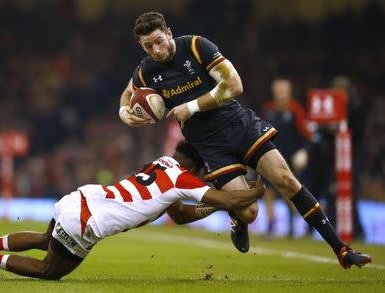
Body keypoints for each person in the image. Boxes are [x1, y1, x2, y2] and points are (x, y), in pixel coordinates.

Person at [118, 11, 370, 268]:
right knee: (249, 212)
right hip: (209, 146)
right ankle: (236, 217)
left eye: (159, 41)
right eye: (148, 46)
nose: (156, 50)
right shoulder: (146, 71)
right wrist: (125, 114)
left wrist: (190, 107)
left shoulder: (195, 46)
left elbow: (235, 85)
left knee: (287, 181)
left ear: (169, 33)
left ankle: (341, 250)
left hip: (239, 124)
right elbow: (127, 96)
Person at [0, 141, 265, 280]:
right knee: (48, 271)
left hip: (82, 197)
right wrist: (255, 192)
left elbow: (180, 214)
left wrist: (208, 209)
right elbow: (228, 201)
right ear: (195, 166)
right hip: (87, 221)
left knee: (45, 239)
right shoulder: (182, 178)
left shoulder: (161, 163)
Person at [262, 78, 311, 237]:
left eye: (284, 91)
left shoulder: (296, 110)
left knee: (288, 193)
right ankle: (271, 224)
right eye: (278, 91)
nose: (281, 94)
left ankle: (292, 224)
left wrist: (303, 151)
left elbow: (307, 135)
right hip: (270, 158)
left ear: (289, 92)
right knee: (267, 191)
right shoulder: (268, 109)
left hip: (290, 160)